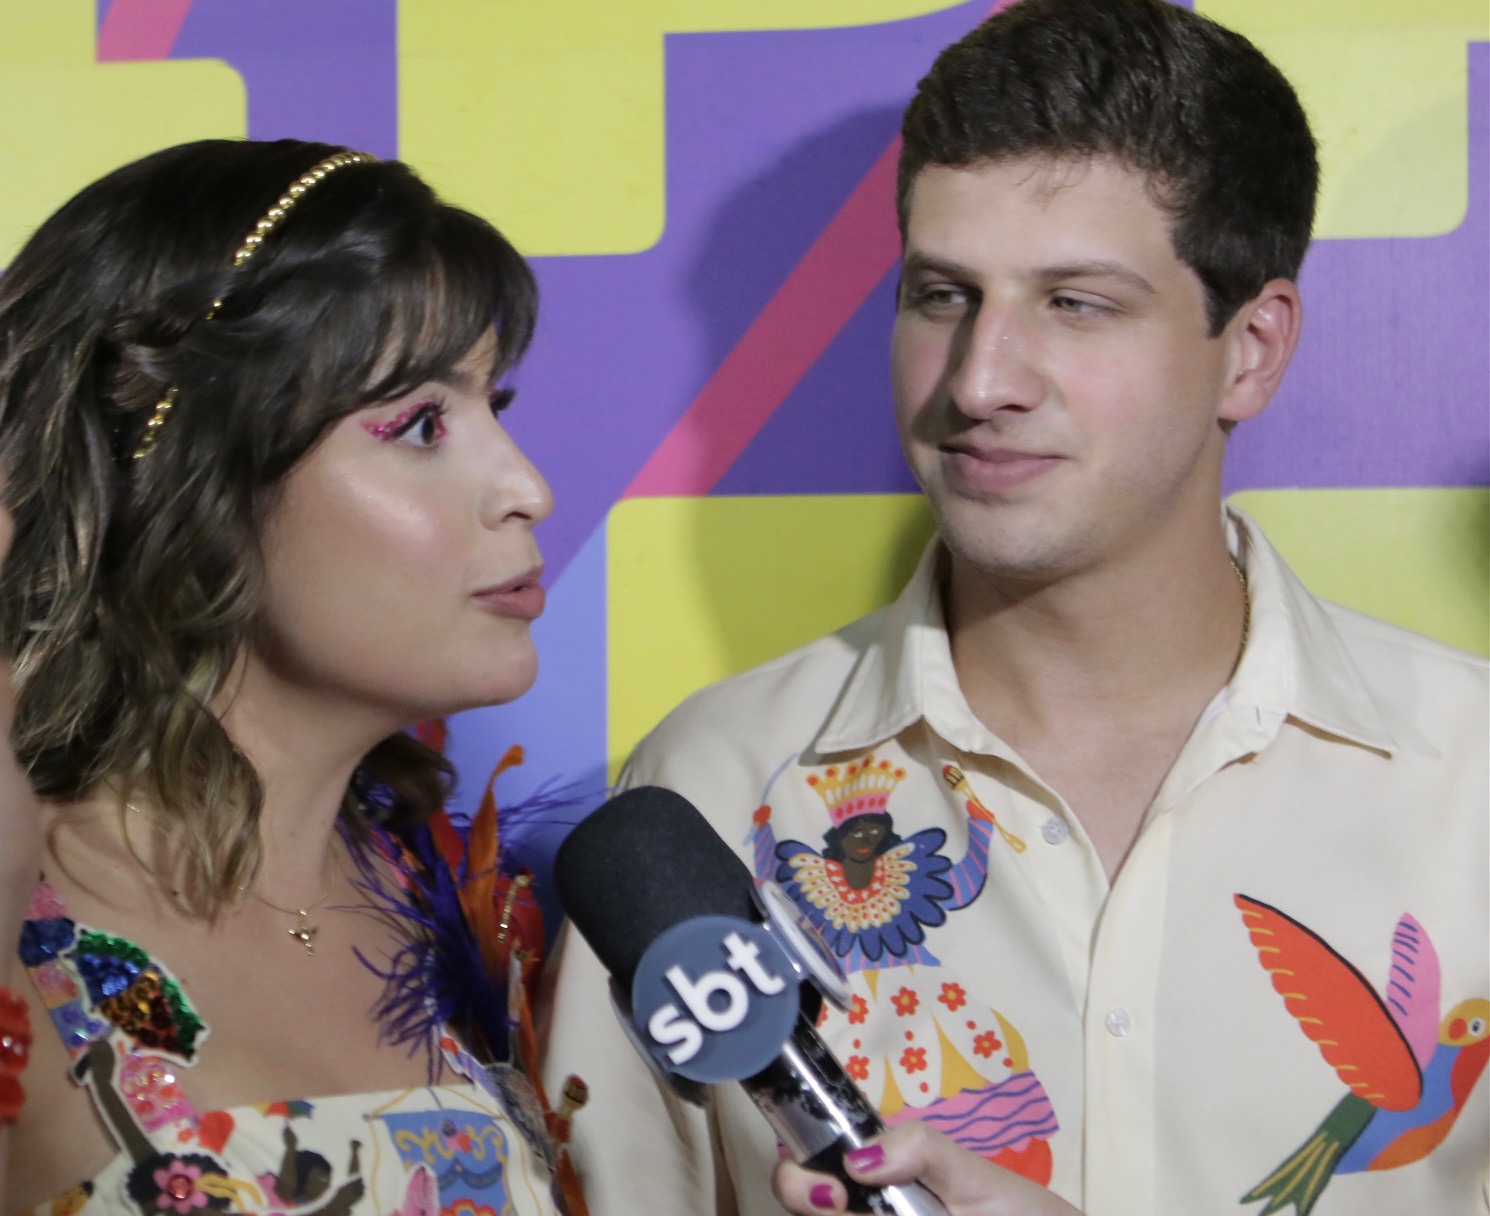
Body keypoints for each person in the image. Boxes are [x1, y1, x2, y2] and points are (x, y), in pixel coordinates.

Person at [543, 0, 1490, 1213]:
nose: (979, 380)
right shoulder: (713, 789)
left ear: (1249, 348)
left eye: (1074, 303)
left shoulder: (1469, 779)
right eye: (942, 295)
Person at [0, 140, 581, 1216]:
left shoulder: (458, 913)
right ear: (192, 481)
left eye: (494, 406)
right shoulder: (16, 917)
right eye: (419, 423)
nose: (527, 488)